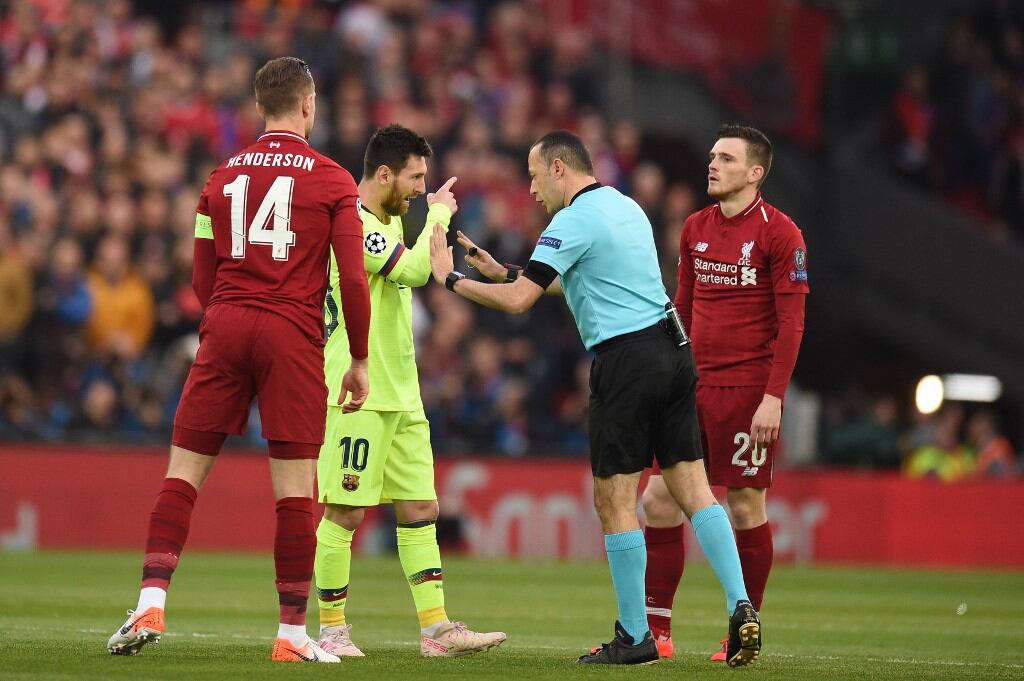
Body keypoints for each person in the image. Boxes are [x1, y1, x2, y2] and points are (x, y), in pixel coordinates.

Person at [429, 130, 761, 667]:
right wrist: (501, 269)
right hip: (674, 351)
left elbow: (518, 303)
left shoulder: (571, 220)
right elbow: (578, 281)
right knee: (695, 489)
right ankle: (740, 604)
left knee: (614, 501)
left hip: (626, 362)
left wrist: (451, 281)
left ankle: (635, 637)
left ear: (560, 168)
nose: (533, 190)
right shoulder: (624, 206)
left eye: (536, 177)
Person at [106, 57, 372, 664]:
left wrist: (227, 319)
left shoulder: (219, 176)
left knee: (182, 473)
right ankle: (292, 634)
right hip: (291, 333)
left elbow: (202, 276)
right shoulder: (333, 180)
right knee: (293, 490)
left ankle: (150, 600)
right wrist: (357, 357)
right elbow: (352, 282)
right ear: (308, 106)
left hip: (225, 324)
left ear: (259, 108)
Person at [313, 124, 506, 658]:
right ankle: (331, 629)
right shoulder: (353, 223)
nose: (422, 187)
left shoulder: (386, 220)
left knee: (421, 508)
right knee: (346, 511)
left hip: (402, 390)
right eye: (416, 177)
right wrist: (439, 215)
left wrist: (427, 218)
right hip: (359, 390)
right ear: (383, 174)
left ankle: (437, 630)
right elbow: (418, 271)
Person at [640, 124, 809, 661]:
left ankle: (742, 627)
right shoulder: (695, 227)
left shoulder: (782, 235)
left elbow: (792, 324)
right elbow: (682, 308)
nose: (713, 164)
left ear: (755, 173)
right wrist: (669, 374)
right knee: (659, 500)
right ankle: (656, 633)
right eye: (713, 156)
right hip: (692, 387)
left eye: (727, 159)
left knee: (743, 503)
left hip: (747, 391)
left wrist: (773, 397)